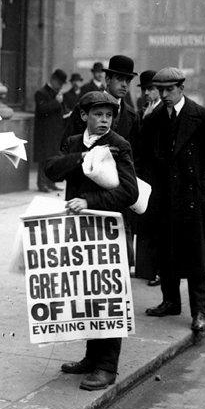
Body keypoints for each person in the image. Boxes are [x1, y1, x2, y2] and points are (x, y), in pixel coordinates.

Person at [45, 91, 138, 391]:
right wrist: (82, 157)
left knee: (108, 296)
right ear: (84, 116)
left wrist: (88, 200)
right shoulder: (74, 142)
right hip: (81, 231)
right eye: (98, 114)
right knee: (87, 291)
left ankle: (107, 366)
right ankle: (91, 357)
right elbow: (51, 169)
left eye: (109, 116)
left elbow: (129, 192)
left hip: (107, 230)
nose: (104, 120)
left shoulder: (119, 145)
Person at [136, 67, 205, 336]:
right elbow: (144, 159)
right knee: (166, 252)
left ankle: (199, 311)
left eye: (169, 90)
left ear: (181, 88)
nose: (164, 95)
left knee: (195, 257)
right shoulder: (153, 120)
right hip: (164, 200)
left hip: (192, 201)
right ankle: (171, 301)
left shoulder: (203, 116)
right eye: (160, 90)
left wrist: (202, 193)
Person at [61, 54, 140, 150]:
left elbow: (134, 155)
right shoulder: (85, 107)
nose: (124, 85)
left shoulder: (131, 115)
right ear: (107, 79)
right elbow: (66, 145)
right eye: (119, 79)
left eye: (128, 81)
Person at [132, 69, 161, 287]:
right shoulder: (146, 110)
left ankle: (157, 270)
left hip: (156, 175)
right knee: (144, 221)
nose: (147, 93)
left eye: (151, 89)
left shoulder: (159, 111)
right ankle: (145, 268)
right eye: (145, 89)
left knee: (155, 224)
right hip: (144, 173)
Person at [33, 68, 68, 192]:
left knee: (53, 158)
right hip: (44, 133)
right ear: (53, 80)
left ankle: (51, 182)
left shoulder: (56, 94)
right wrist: (57, 102)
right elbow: (43, 109)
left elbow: (60, 111)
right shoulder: (41, 93)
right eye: (59, 83)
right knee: (44, 159)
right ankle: (41, 184)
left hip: (55, 133)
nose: (60, 86)